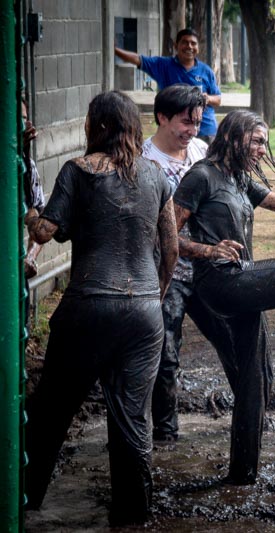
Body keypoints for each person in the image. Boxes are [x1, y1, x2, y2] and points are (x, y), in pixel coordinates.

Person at [24, 91, 178, 526]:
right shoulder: (156, 175)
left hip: (88, 308)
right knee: (133, 420)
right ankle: (133, 516)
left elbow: (45, 229)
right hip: (145, 311)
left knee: (52, 411)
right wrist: (156, 296)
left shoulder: (78, 170)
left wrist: (29, 198)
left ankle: (24, 501)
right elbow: (170, 252)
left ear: (99, 126)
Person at [172, 109, 275, 484]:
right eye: (258, 141)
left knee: (255, 379)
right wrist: (207, 250)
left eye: (265, 143)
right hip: (221, 282)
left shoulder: (240, 180)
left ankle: (242, 474)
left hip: (242, 282)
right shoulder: (200, 176)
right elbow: (164, 235)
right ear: (234, 138)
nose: (264, 150)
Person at [142, 83, 227, 442]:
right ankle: (165, 433)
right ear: (162, 117)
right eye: (185, 122)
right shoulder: (143, 162)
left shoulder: (202, 152)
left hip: (208, 270)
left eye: (197, 122)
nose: (192, 130)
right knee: (166, 353)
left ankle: (252, 413)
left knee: (231, 336)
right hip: (166, 272)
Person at [115, 28, 221, 143]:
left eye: (193, 43)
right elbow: (138, 59)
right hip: (174, 130)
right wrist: (115, 50)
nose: (189, 46)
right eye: (184, 42)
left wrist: (207, 98)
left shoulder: (206, 71)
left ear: (198, 48)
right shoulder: (163, 65)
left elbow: (218, 99)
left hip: (204, 131)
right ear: (176, 46)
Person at [21, 97, 46, 318]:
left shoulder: (27, 166)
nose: (25, 126)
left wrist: (30, 257)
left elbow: (40, 217)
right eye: (17, 119)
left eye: (25, 118)